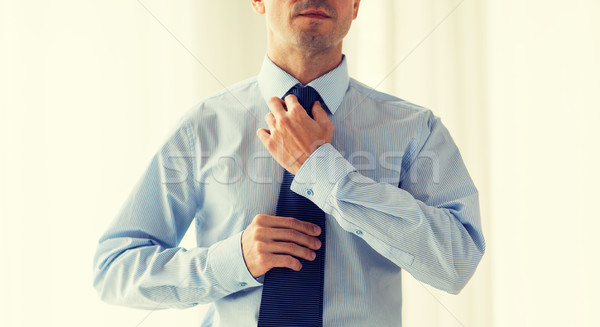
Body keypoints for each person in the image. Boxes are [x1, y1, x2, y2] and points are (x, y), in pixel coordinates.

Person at [93, 0, 486, 326]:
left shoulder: (416, 130)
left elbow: (456, 262)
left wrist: (321, 169)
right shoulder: (203, 128)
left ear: (356, 4)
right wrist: (235, 260)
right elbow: (114, 269)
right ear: (257, 1)